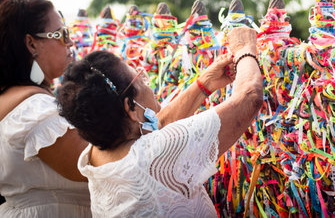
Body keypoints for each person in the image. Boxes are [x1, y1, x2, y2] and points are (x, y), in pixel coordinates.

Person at [57, 26, 263, 217]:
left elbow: (156, 127)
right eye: (141, 80)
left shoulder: (95, 154)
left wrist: (205, 83)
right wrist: (244, 48)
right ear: (130, 107)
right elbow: (250, 96)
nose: (149, 85)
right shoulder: (152, 156)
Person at [0, 0, 91, 216]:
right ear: (31, 44)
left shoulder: (16, 98)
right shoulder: (33, 109)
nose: (70, 42)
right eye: (61, 35)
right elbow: (96, 165)